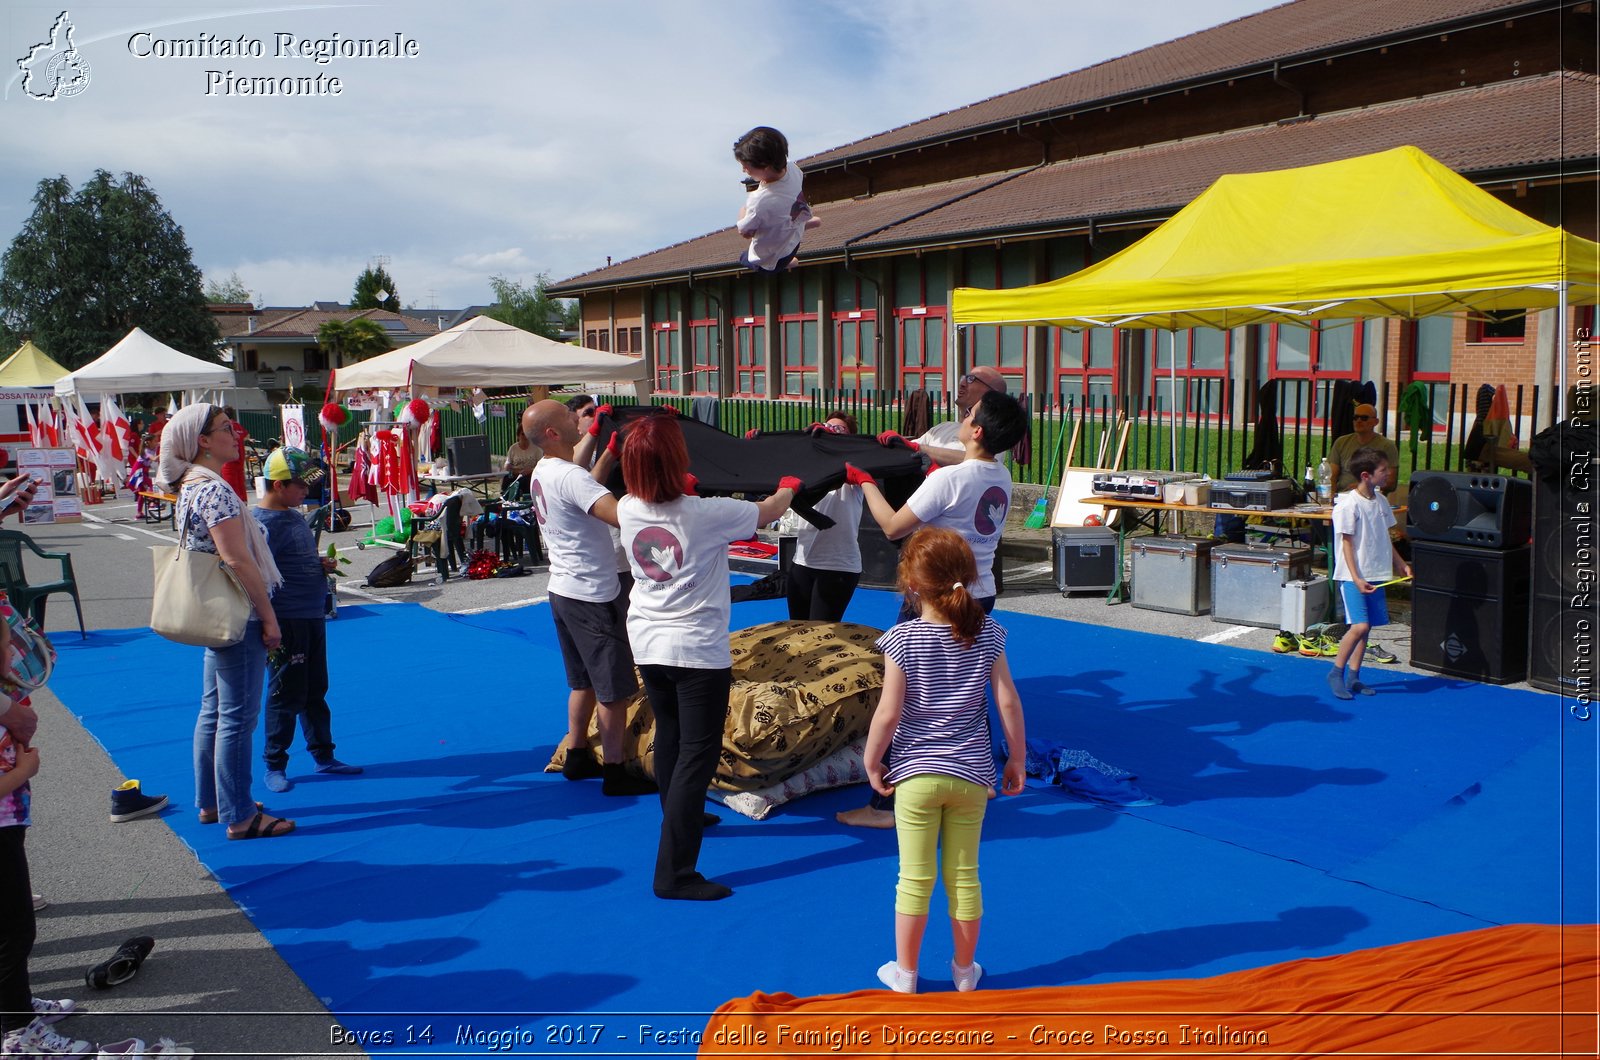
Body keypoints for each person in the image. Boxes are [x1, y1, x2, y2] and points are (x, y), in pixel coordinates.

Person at [616, 413, 800, 900]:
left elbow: (671, 506)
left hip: (648, 640)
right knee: (698, 753)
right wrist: (789, 484)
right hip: (696, 649)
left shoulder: (630, 507)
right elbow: (767, 512)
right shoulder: (709, 512)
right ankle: (674, 873)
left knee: (672, 735)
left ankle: (682, 810)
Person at [864, 527, 1025, 994]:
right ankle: (963, 972)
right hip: (972, 777)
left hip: (915, 776)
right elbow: (1008, 702)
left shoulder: (901, 640)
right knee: (964, 876)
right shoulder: (990, 633)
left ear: (910, 585)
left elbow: (888, 714)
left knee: (913, 879)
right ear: (970, 577)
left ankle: (906, 974)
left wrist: (874, 761)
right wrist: (1016, 758)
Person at [157, 405, 294, 840]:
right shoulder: (213, 490)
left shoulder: (191, 485)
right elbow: (236, 559)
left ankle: (214, 802)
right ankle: (239, 814)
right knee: (237, 716)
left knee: (214, 711)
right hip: (238, 612)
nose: (234, 433)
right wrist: (269, 618)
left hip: (216, 609)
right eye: (224, 429)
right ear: (202, 441)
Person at [523, 400, 655, 797]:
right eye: (570, 416)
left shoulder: (545, 471)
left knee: (582, 682)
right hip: (593, 594)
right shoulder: (569, 476)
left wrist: (611, 453)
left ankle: (578, 753)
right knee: (613, 688)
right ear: (553, 432)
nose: (580, 420)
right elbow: (619, 516)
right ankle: (615, 770)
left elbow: (583, 486)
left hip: (563, 589)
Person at [254, 447, 361, 795]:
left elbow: (292, 559)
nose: (306, 492)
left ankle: (323, 754)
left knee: (316, 689)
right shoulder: (264, 524)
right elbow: (258, 572)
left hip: (312, 614)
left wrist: (318, 564)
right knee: (286, 693)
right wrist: (269, 622)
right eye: (300, 485)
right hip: (288, 618)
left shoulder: (293, 514)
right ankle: (275, 763)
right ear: (279, 484)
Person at [1328, 447, 1411, 701]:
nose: (1388, 474)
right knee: (1359, 625)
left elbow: (1386, 538)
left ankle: (1354, 676)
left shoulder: (1381, 501)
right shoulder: (1347, 505)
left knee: (1367, 629)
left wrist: (1400, 563)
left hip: (1376, 573)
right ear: (1366, 475)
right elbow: (1346, 544)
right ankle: (1336, 673)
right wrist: (1356, 578)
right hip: (1354, 576)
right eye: (1383, 471)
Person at [786, 411, 865, 622]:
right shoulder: (808, 466)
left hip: (838, 567)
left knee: (821, 633)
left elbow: (847, 466)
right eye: (828, 426)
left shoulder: (856, 467)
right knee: (797, 630)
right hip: (802, 562)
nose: (831, 431)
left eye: (839, 429)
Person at [878, 366, 1007, 468]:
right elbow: (909, 449)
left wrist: (919, 449)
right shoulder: (943, 427)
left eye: (971, 380)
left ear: (992, 394)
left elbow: (977, 461)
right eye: (964, 378)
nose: (962, 383)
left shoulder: (993, 435)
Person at [733, 126, 821, 273]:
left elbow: (745, 233)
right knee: (784, 215)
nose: (744, 171)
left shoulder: (759, 201)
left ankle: (786, 264)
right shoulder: (793, 170)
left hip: (775, 257)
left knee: (745, 259)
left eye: (745, 167)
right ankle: (803, 222)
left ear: (765, 167)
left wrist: (743, 211)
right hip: (794, 238)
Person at [1327, 403, 1400, 494]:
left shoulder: (1387, 446)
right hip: (1343, 496)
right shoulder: (1341, 442)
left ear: (1376, 422)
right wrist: (1332, 497)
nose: (1359, 421)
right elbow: (1331, 476)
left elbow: (1391, 483)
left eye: (1364, 418)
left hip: (1372, 498)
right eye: (1355, 417)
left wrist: (1362, 486)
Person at [218, 406, 250, 502]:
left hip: (229, 462)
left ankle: (236, 508)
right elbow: (246, 436)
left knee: (231, 488)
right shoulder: (237, 425)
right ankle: (244, 505)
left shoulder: (225, 427)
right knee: (241, 486)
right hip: (239, 460)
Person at [501, 430, 542, 498]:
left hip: (530, 475)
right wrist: (507, 466)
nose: (525, 437)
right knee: (506, 479)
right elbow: (508, 462)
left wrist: (531, 470)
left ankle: (526, 499)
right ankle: (505, 498)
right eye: (523, 434)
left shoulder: (537, 449)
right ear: (518, 436)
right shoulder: (513, 448)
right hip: (515, 473)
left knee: (524, 481)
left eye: (527, 434)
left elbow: (541, 465)